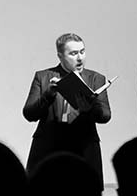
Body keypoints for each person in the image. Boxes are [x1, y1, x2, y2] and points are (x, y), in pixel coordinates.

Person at [23, 33, 112, 183]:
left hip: (84, 150)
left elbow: (105, 116)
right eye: (73, 53)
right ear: (60, 56)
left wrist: (90, 105)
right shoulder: (43, 77)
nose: (80, 58)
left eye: (82, 52)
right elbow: (29, 114)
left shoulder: (96, 78)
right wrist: (48, 94)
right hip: (48, 150)